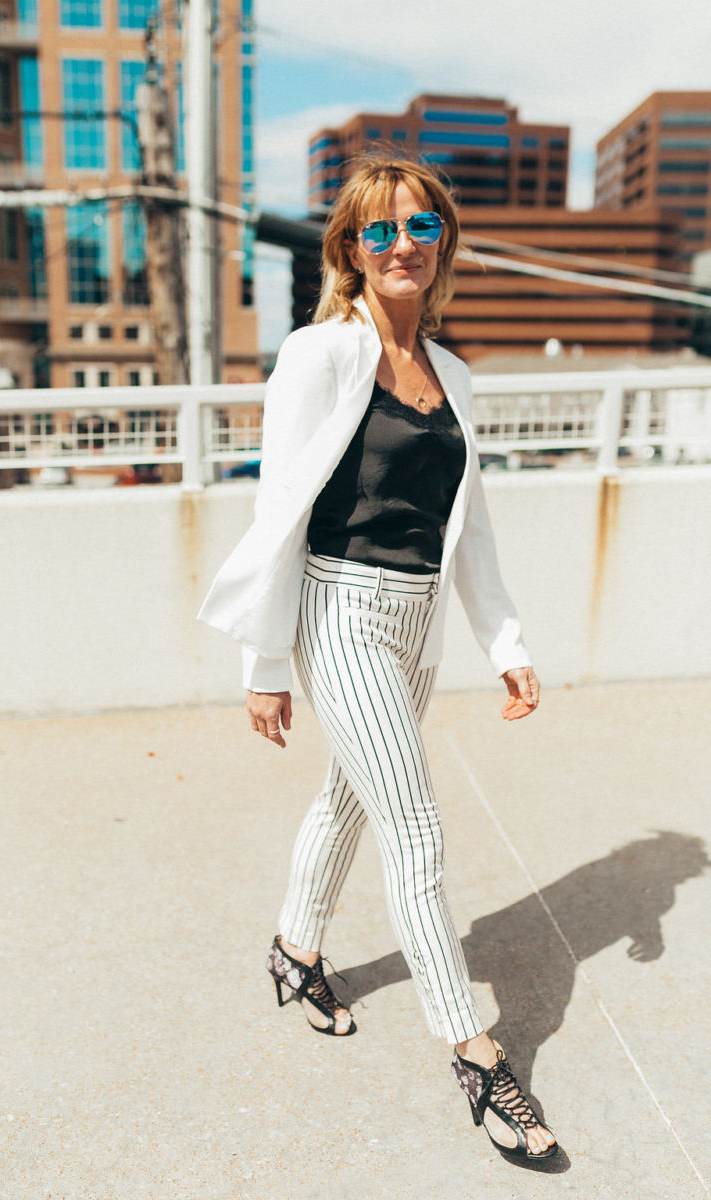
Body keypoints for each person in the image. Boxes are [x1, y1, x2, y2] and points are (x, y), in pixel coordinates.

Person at [198, 157, 557, 1163]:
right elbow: (280, 510)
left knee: (349, 799)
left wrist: (506, 645)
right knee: (416, 828)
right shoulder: (318, 354)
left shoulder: (457, 375)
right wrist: (265, 660)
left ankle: (294, 949)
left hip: (417, 623)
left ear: (441, 242)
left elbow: (468, 529)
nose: (401, 244)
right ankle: (475, 1056)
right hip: (339, 609)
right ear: (349, 252)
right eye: (377, 231)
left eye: (419, 227)